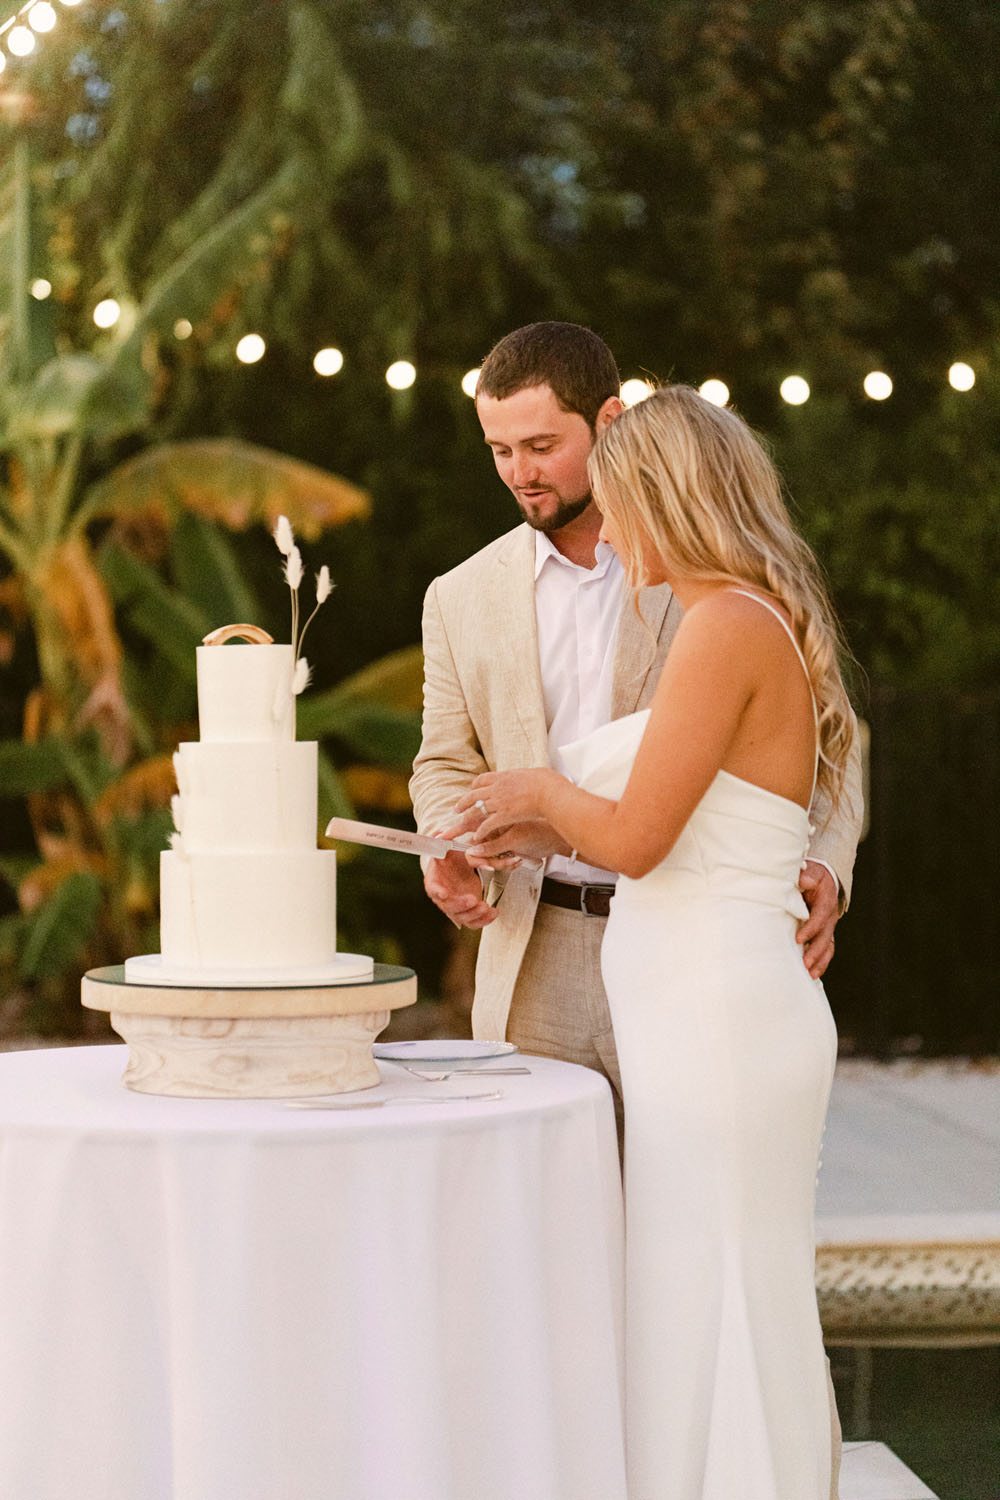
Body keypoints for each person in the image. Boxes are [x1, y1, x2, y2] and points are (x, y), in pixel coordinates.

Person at [453, 382, 854, 1499]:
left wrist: (539, 790)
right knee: (697, 1279)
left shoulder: (725, 624)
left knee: (715, 1277)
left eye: (620, 505)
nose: (609, 529)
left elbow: (634, 839)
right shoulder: (744, 616)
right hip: (699, 1006)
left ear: (666, 500)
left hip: (718, 1012)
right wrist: (514, 818)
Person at [410, 322, 862, 1109]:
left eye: (542, 446)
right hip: (535, 951)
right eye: (500, 451)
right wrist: (444, 845)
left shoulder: (712, 574)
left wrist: (824, 861)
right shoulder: (459, 594)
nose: (520, 473)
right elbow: (444, 761)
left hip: (691, 943)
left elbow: (829, 732)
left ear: (611, 420)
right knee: (550, 1216)